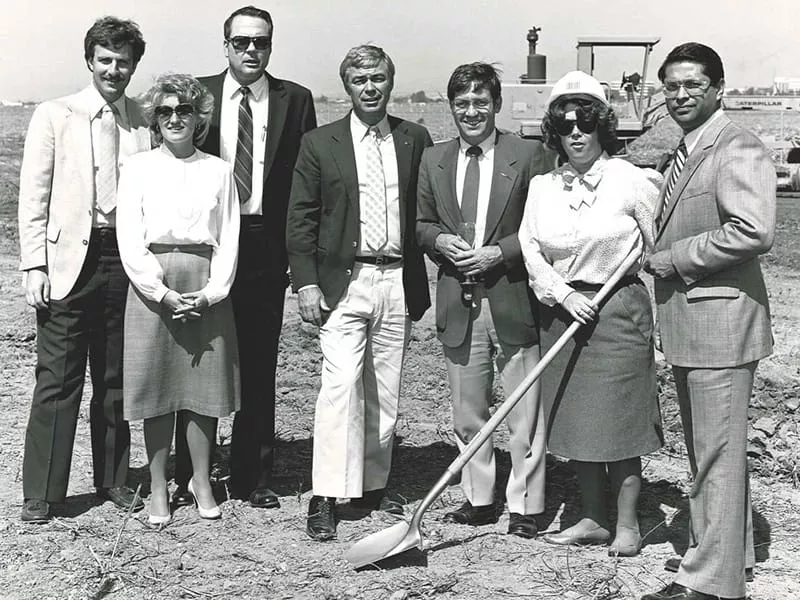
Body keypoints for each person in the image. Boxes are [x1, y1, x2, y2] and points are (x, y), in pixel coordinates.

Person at [641, 43, 775, 600]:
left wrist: (672, 258)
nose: (680, 96)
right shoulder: (687, 148)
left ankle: (710, 585)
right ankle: (730, 562)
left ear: (719, 87)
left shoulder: (736, 144)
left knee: (716, 456)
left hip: (720, 324)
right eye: (670, 87)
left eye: (693, 85)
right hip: (695, 326)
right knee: (713, 454)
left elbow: (753, 231)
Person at [172, 5, 317, 510]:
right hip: (206, 243)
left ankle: (253, 472)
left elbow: (305, 184)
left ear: (271, 46)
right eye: (242, 42)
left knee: (258, 360)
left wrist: (299, 261)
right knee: (198, 353)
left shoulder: (294, 99)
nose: (252, 51)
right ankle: (191, 466)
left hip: (264, 242)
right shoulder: (198, 96)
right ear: (226, 45)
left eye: (262, 42)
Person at [287, 44, 432, 541]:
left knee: (384, 389)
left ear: (390, 82)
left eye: (378, 79)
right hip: (342, 284)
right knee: (340, 386)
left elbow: (424, 210)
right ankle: (327, 492)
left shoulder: (415, 138)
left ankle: (373, 484)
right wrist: (305, 280)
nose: (370, 88)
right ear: (346, 86)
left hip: (396, 279)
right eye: (359, 80)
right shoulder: (319, 143)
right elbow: (301, 217)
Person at [519, 71, 663, 557]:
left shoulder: (632, 181)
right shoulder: (543, 187)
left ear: (602, 126)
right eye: (565, 126)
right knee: (577, 423)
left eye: (584, 123)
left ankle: (626, 525)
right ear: (554, 133)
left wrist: (608, 291)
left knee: (619, 426)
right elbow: (531, 248)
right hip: (564, 314)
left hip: (617, 310)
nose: (575, 133)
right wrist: (562, 293)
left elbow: (655, 244)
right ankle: (591, 518)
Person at [17, 16, 150, 523]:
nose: (114, 70)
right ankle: (43, 493)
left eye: (124, 62)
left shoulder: (142, 120)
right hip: (68, 260)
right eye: (106, 60)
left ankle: (114, 480)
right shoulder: (56, 114)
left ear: (135, 65)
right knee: (57, 377)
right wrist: (35, 264)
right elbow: (34, 196)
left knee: (115, 376)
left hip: (125, 259)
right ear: (90, 59)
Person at [416, 62, 551, 539]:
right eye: (461, 103)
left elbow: (543, 227)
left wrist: (502, 251)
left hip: (512, 297)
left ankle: (526, 506)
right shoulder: (434, 160)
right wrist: (437, 242)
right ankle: (479, 498)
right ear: (450, 108)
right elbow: (420, 221)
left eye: (480, 102)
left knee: (523, 410)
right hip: (459, 300)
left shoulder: (530, 155)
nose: (471, 111)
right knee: (468, 410)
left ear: (496, 104)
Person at [116, 74, 241, 525]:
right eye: (165, 111)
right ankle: (155, 486)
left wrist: (210, 293)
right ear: (154, 119)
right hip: (153, 287)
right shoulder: (137, 168)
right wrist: (162, 292)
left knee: (202, 390)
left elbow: (229, 238)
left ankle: (201, 480)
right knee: (157, 388)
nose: (174, 118)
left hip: (205, 284)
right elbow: (130, 239)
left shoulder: (219, 170)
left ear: (198, 118)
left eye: (183, 110)